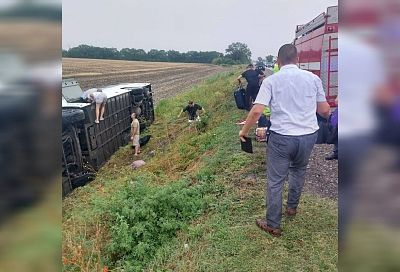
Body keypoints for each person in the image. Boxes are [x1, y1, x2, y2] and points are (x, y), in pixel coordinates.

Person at [239, 44, 330, 237]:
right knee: (298, 171)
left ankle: (273, 223)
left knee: (275, 180)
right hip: (307, 136)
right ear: (297, 59)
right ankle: (291, 208)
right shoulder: (313, 79)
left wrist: (244, 131)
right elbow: (324, 110)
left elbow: (256, 111)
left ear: (278, 61)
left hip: (282, 138)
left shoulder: (272, 81)